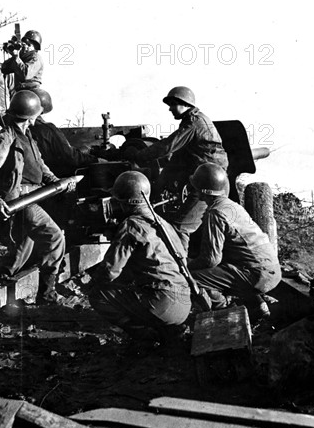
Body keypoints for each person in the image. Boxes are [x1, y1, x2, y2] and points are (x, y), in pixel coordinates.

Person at [0, 90, 75, 304]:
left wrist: (58, 181)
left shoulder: (28, 136)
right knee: (54, 238)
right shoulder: (6, 137)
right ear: (30, 115)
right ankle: (47, 295)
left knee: (26, 241)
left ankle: (1, 277)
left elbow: (40, 165)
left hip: (34, 195)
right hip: (19, 199)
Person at [88, 171, 191, 344]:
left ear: (123, 203)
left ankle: (144, 335)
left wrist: (93, 280)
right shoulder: (162, 222)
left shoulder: (131, 225)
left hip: (162, 303)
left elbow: (110, 271)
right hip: (184, 304)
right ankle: (166, 328)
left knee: (98, 295)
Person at [120, 87, 228, 252]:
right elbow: (177, 158)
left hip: (209, 184)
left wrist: (138, 156)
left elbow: (167, 146)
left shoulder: (193, 123)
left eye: (173, 104)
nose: (170, 108)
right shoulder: (194, 120)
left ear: (185, 105)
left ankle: (179, 270)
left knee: (179, 227)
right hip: (209, 179)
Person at [188, 163, 281, 321]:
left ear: (203, 191)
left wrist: (186, 264)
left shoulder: (215, 213)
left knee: (192, 278)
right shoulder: (232, 206)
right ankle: (256, 305)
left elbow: (211, 259)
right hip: (273, 271)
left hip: (257, 276)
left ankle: (224, 310)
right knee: (228, 267)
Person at [30, 89, 97, 177]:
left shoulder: (18, 128)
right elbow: (70, 156)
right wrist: (95, 160)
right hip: (55, 178)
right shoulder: (48, 130)